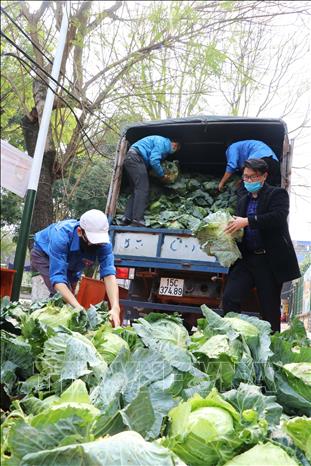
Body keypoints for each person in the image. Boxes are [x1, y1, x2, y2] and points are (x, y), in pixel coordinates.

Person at [222, 159, 300, 332]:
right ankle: (234, 338)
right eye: (245, 177)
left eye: (252, 177)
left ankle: (272, 350)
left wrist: (247, 221)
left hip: (268, 260)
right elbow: (240, 226)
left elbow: (277, 217)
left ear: (264, 176)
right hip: (246, 259)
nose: (248, 181)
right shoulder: (243, 200)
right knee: (229, 298)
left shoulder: (277, 194)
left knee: (269, 309)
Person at [30, 209, 121, 327]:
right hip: (44, 256)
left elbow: (109, 274)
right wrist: (78, 307)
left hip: (72, 266)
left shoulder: (104, 243)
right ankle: (39, 326)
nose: (97, 245)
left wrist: (115, 307)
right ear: (79, 231)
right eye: (93, 241)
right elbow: (57, 278)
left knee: (70, 300)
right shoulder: (61, 235)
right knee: (61, 298)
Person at [121, 135, 180, 227]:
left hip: (130, 159)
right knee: (142, 189)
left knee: (135, 190)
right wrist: (162, 175)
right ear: (174, 143)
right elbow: (154, 160)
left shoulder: (159, 141)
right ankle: (137, 220)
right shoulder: (164, 143)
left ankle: (127, 218)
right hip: (136, 159)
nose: (175, 149)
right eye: (176, 147)